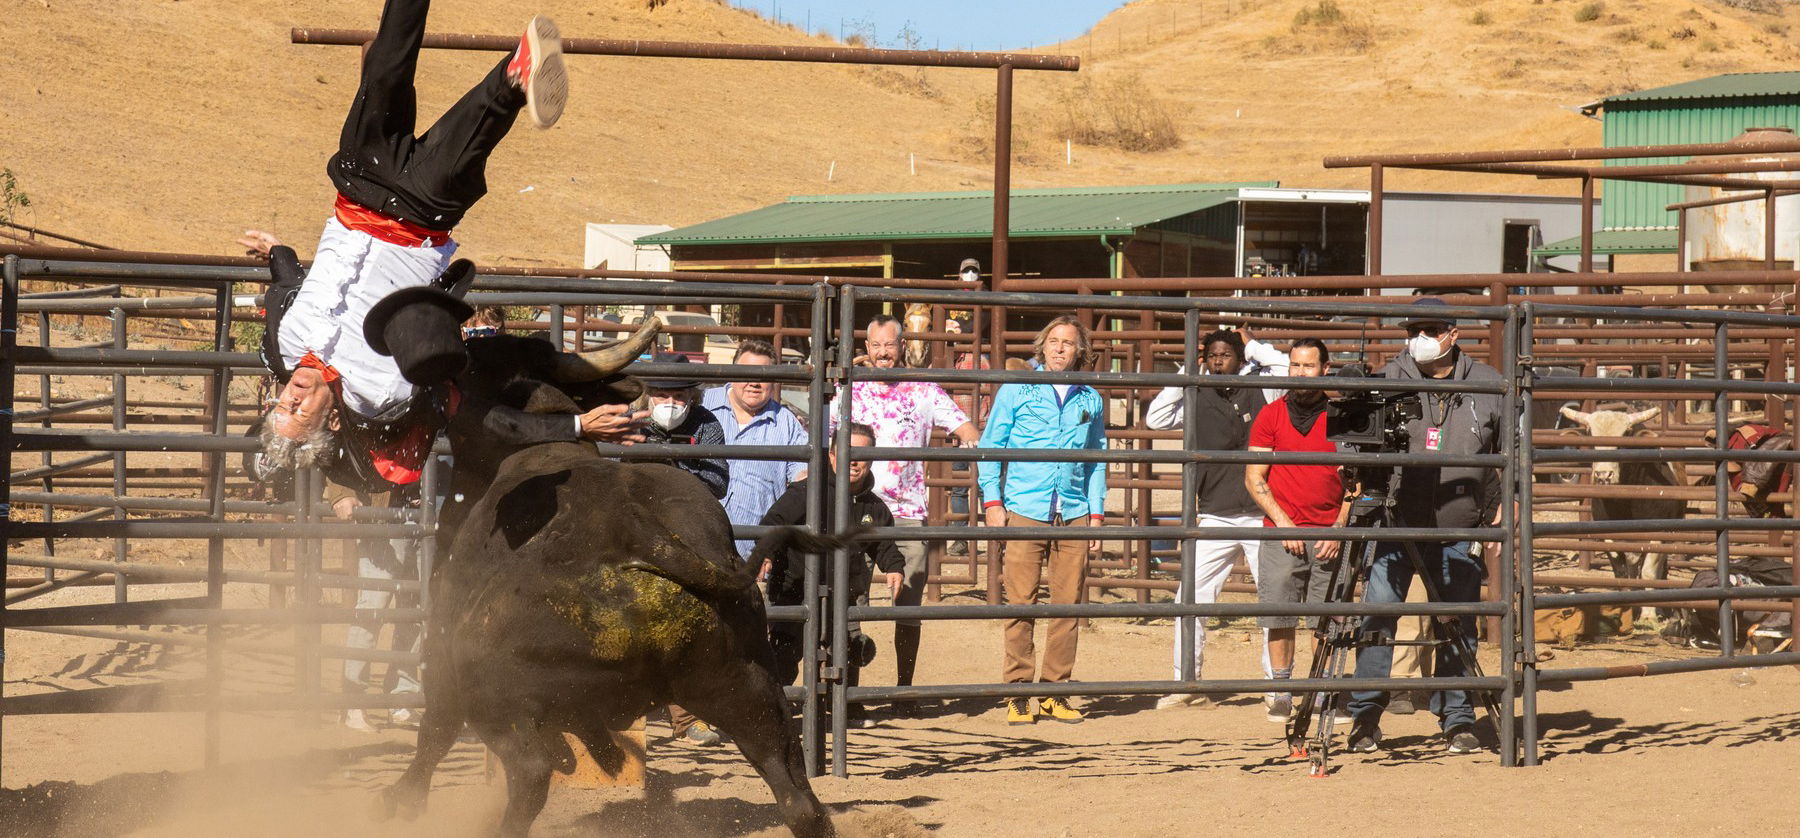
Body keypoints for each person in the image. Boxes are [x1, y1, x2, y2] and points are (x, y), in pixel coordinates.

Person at [255, 1, 642, 482]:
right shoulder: (384, 393)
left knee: (386, 66)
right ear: (332, 420)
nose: (289, 398)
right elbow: (476, 413)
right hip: (421, 213)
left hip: (360, 184)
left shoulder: (282, 345)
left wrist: (276, 252)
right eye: (298, 413)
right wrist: (575, 424)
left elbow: (290, 284)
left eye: (280, 406)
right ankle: (520, 70)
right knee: (485, 115)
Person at [1345, 297, 1504, 756]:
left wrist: (1504, 502)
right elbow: (1359, 442)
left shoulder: (1489, 385)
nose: (1420, 338)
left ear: (1453, 334)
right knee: (1377, 616)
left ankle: (1457, 718)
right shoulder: (1388, 379)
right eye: (1413, 329)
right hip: (1395, 521)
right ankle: (1365, 718)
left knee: (1458, 620)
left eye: (1431, 329)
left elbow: (1510, 451)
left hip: (1460, 523)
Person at [827, 315, 978, 710]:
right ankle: (850, 693)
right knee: (851, 596)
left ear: (902, 344)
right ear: (866, 345)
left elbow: (965, 428)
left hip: (908, 508)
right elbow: (825, 435)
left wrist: (968, 442)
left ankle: (904, 689)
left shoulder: (923, 389)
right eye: (875, 345)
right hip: (856, 505)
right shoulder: (849, 389)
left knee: (908, 599)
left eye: (889, 345)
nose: (882, 353)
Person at [978, 315, 1108, 725]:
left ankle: (1055, 690)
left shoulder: (1090, 398)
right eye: (1053, 341)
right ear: (1042, 346)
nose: (1059, 348)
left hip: (1073, 511)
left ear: (1079, 351)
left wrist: (1097, 512)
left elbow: (1097, 459)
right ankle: (1018, 690)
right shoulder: (1017, 389)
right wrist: (993, 501)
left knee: (1068, 605)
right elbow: (991, 445)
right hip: (1024, 507)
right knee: (1020, 601)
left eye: (1068, 343)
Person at [1143, 329, 1272, 710]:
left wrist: (1255, 349)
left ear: (1240, 358)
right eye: (1211, 355)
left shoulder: (1264, 387)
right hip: (1214, 512)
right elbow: (1155, 419)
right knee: (1191, 599)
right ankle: (1186, 683)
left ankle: (1277, 687)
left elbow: (1283, 367)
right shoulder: (1194, 393)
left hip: (1261, 513)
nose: (1218, 361)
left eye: (1226, 355)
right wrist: (1186, 373)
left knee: (1273, 601)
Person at [750, 422, 905, 729]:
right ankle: (776, 706)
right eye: (848, 452)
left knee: (845, 648)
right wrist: (765, 552)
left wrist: (894, 567)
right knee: (786, 648)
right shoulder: (808, 491)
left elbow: (883, 542)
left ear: (872, 458)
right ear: (833, 455)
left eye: (862, 454)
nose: (855, 460)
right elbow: (773, 522)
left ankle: (842, 703)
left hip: (844, 589)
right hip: (796, 584)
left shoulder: (872, 505)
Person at [1243, 338, 1350, 724]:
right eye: (1294, 366)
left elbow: (1355, 480)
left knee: (1327, 617)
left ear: (1325, 368)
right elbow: (1254, 477)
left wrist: (1339, 526)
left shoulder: (1342, 415)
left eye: (1308, 366)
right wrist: (1283, 523)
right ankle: (1282, 690)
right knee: (1280, 614)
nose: (1300, 373)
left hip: (1329, 532)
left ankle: (1322, 692)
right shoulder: (1271, 415)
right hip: (1282, 530)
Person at [327, 479, 423, 732]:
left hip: (427, 518)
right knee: (373, 607)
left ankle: (402, 697)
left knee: (417, 611)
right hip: (385, 517)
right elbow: (342, 443)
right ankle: (353, 701)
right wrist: (341, 493)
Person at [702, 339, 809, 557]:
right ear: (732, 374)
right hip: (699, 545)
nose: (754, 383)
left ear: (774, 381)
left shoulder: (787, 424)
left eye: (763, 375)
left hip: (755, 557)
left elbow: (803, 483)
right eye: (746, 373)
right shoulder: (702, 404)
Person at [636, 352, 728, 500]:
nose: (670, 403)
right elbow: (611, 468)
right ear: (648, 396)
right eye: (662, 395)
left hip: (685, 507)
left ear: (692, 397)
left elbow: (719, 483)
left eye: (679, 396)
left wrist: (675, 474)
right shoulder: (633, 421)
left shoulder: (706, 422)